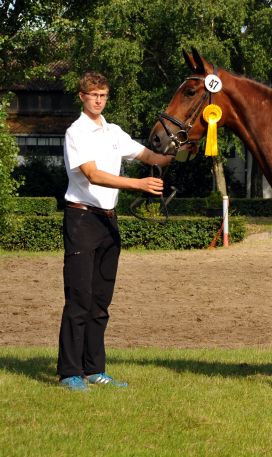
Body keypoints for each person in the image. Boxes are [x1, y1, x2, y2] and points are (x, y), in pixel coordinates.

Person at [57, 71, 193, 391]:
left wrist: (186, 151)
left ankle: (95, 369)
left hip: (108, 221)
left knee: (101, 301)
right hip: (81, 219)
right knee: (79, 299)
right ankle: (69, 373)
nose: (98, 100)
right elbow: (92, 175)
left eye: (103, 94)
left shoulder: (113, 131)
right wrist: (138, 184)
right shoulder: (76, 132)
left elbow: (150, 156)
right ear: (82, 97)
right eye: (93, 95)